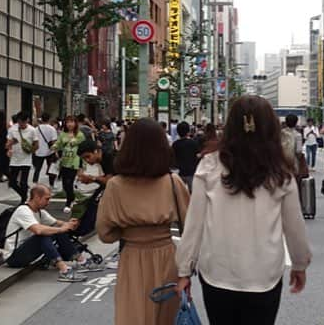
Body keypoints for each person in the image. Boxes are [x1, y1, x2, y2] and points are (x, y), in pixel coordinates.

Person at [175, 96, 311, 324]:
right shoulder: (280, 172)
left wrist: (183, 270)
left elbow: (194, 224)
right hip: (264, 275)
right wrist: (299, 264)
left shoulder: (209, 165)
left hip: (217, 273)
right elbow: (294, 227)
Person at [95, 118, 190, 325]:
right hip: (167, 258)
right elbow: (190, 228)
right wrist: (187, 271)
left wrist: (128, 231)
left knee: (133, 316)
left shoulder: (115, 186)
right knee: (167, 318)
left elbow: (105, 234)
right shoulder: (173, 182)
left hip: (133, 257)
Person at [4, 184, 86, 282]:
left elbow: (57, 223)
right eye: (47, 199)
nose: (48, 202)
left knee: (55, 231)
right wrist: (62, 229)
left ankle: (81, 261)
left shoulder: (40, 212)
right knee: (42, 235)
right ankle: (64, 270)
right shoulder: (23, 211)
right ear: (37, 197)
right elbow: (38, 230)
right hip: (14, 257)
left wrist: (69, 224)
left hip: (27, 252)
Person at [55, 116, 85, 215]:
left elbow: (83, 150)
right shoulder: (62, 134)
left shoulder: (80, 135)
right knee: (65, 184)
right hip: (64, 161)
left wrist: (82, 166)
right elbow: (58, 144)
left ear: (75, 123)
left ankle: (68, 202)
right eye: (67, 122)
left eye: (71, 122)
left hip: (74, 162)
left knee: (69, 182)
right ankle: (71, 197)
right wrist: (53, 147)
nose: (69, 124)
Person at [6, 112, 38, 204]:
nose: (21, 125)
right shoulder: (13, 129)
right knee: (12, 182)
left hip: (26, 159)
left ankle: (23, 200)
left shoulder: (32, 130)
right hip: (15, 159)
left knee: (23, 182)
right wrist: (10, 145)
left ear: (27, 120)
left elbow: (36, 144)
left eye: (23, 122)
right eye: (20, 122)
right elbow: (7, 144)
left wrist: (30, 150)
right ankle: (24, 195)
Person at [172, 121, 200, 191]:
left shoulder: (175, 144)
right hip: (191, 172)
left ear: (178, 132)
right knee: (192, 193)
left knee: (180, 193)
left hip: (179, 172)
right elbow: (197, 155)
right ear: (188, 131)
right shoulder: (193, 143)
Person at [33, 113, 58, 185]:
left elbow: (34, 140)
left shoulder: (36, 129)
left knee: (37, 169)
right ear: (49, 119)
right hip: (50, 151)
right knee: (51, 168)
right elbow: (54, 141)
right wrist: (55, 151)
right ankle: (51, 184)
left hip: (39, 151)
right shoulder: (52, 129)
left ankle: (35, 182)